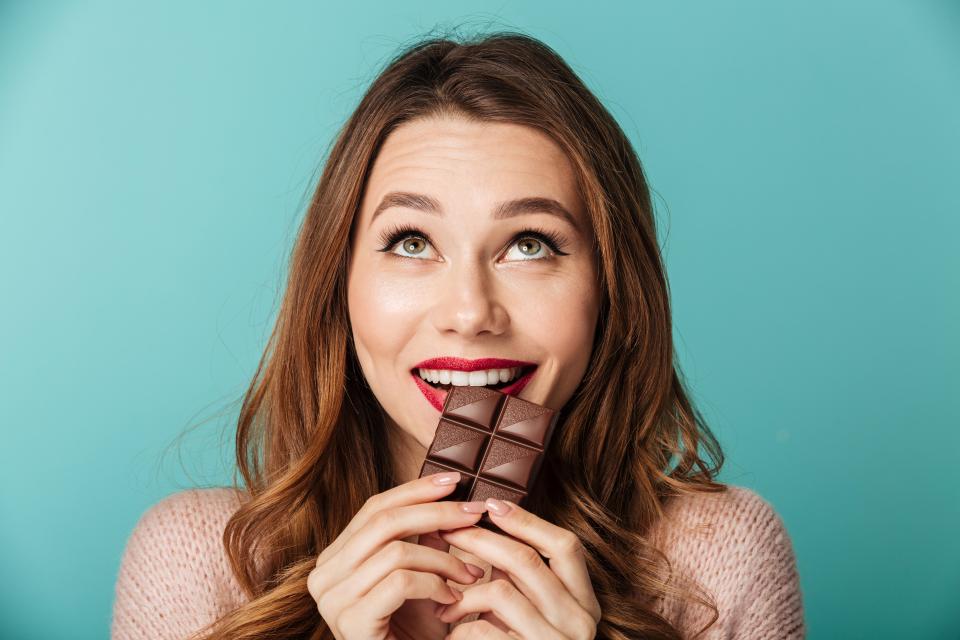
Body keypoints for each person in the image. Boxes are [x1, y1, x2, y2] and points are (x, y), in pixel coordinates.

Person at [111, 30, 805, 640]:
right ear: (339, 284)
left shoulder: (718, 560)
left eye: (529, 244)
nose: (471, 312)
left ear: (610, 288)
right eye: (412, 241)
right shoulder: (196, 563)